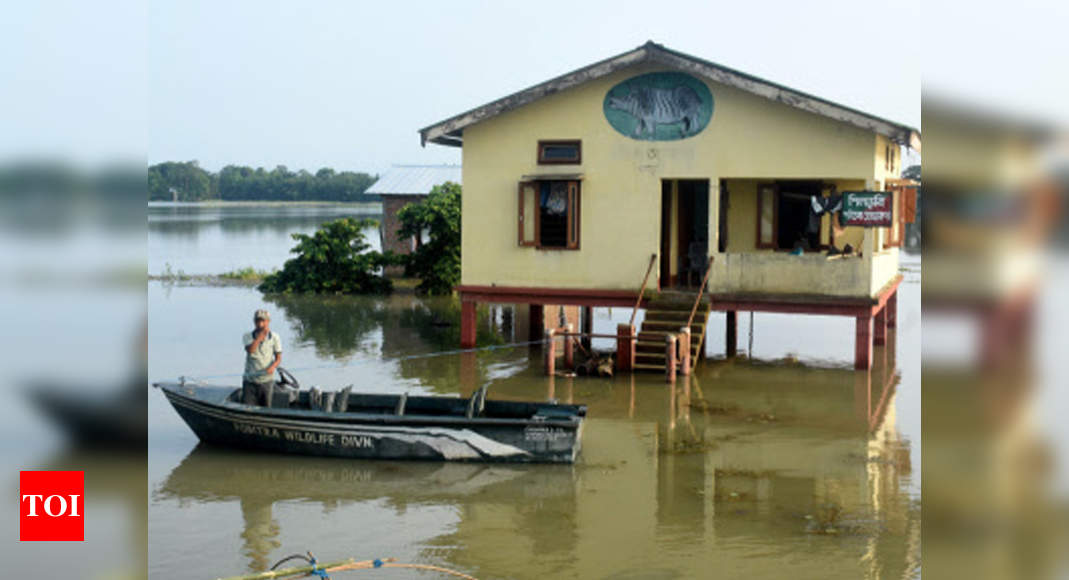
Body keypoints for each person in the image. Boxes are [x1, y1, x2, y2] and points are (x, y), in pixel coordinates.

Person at [243, 309, 282, 406]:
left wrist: (272, 367)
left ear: (268, 322)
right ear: (254, 322)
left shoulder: (275, 337)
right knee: (248, 409)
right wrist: (259, 337)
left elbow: (278, 358)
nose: (260, 324)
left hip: (266, 382)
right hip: (250, 381)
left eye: (263, 321)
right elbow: (250, 350)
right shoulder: (247, 336)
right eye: (258, 321)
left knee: (266, 408)